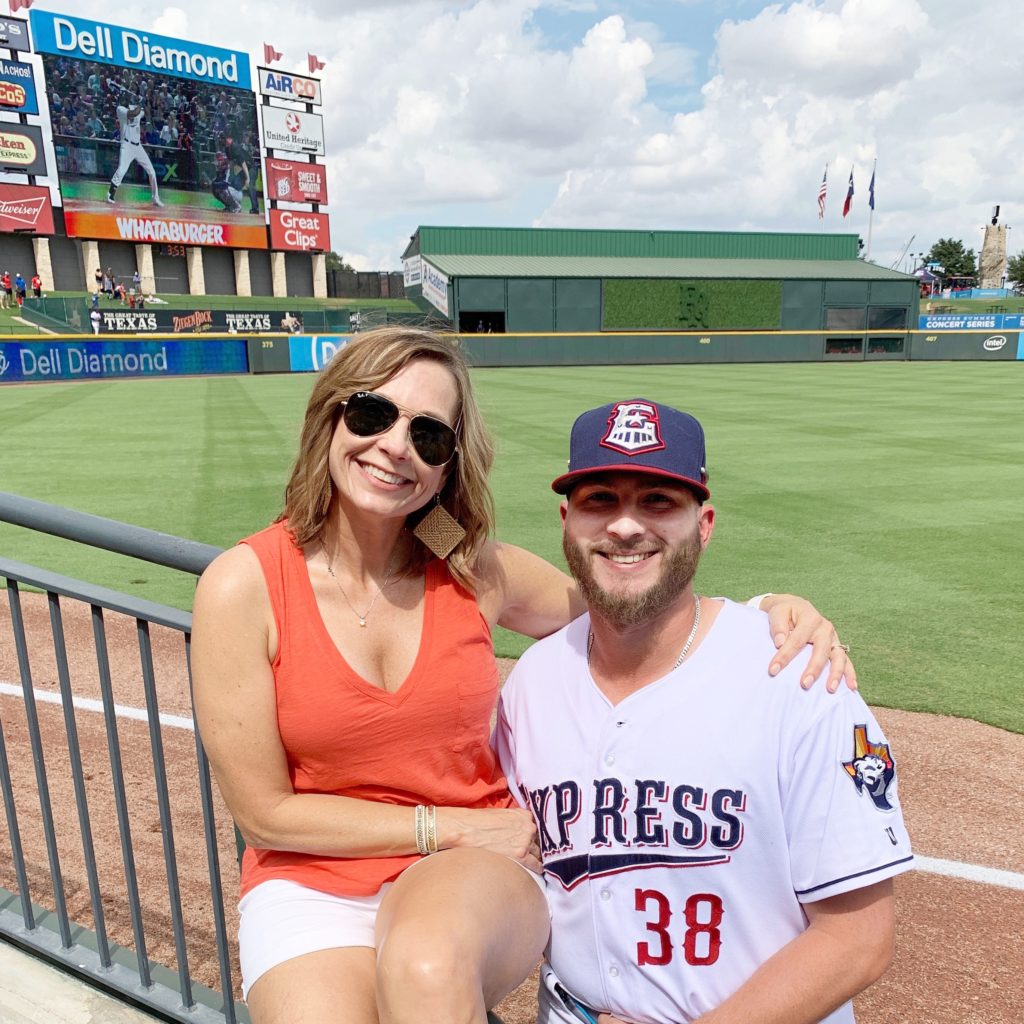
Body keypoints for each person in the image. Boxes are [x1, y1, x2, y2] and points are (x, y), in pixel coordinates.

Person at [191, 329, 853, 1024]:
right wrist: (443, 826)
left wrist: (761, 616)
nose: (395, 446)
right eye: (370, 414)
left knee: (427, 966)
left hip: (465, 875)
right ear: (328, 418)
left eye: (429, 437)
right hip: (317, 876)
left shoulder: (460, 560)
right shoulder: (246, 586)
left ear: (446, 467)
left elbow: (617, 603)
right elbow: (264, 813)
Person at [497, 398, 913, 1024]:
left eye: (659, 501)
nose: (626, 525)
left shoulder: (797, 675)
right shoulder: (530, 684)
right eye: (600, 499)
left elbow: (857, 940)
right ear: (567, 519)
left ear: (705, 522)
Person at [105, 81, 164, 208]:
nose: (124, 98)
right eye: (123, 97)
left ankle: (155, 198)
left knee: (152, 171)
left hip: (138, 146)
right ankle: (110, 193)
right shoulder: (120, 110)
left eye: (125, 96)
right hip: (126, 145)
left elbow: (146, 113)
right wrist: (140, 104)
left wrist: (145, 102)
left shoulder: (134, 106)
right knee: (122, 170)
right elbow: (133, 114)